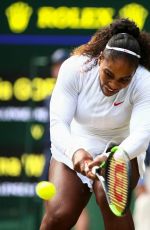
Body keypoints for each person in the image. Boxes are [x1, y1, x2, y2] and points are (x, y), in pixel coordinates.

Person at [40, 18, 150, 230]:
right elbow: (58, 123)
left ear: (134, 74)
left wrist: (116, 157)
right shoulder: (75, 68)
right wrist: (76, 153)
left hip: (122, 149)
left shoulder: (144, 81)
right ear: (100, 59)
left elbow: (142, 134)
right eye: (109, 74)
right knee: (59, 215)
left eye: (123, 80)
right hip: (75, 143)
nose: (113, 84)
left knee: (105, 194)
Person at [41, 48, 89, 230]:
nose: (57, 69)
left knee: (73, 205)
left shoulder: (77, 92)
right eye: (55, 66)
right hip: (51, 153)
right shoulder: (49, 97)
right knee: (51, 205)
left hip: (71, 153)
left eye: (61, 65)